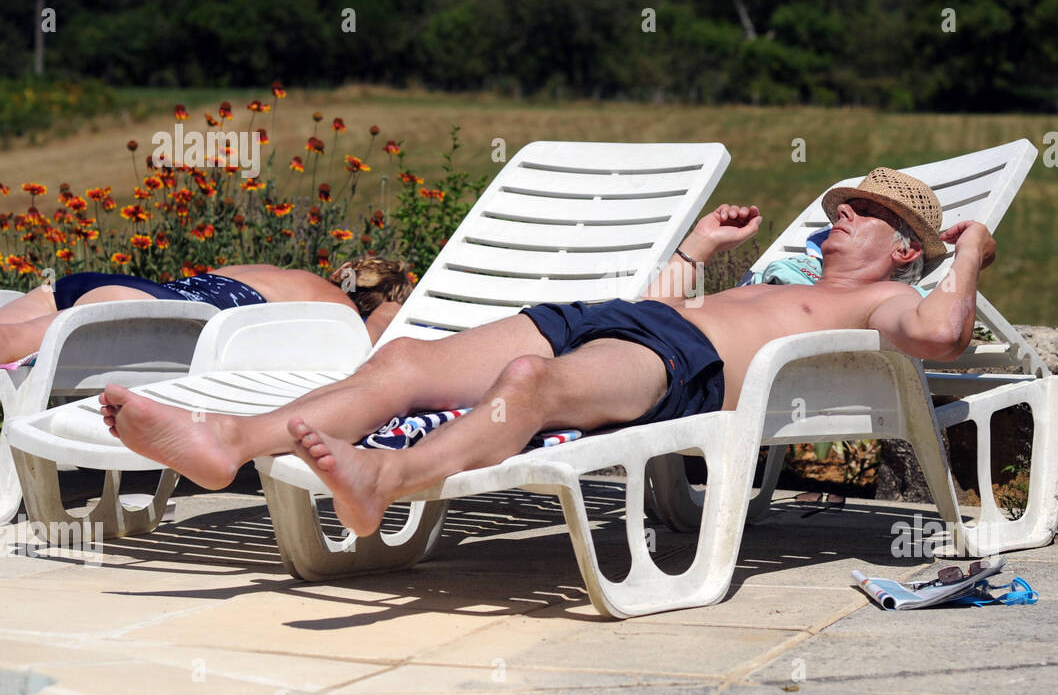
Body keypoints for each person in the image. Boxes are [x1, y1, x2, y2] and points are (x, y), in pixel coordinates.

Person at [98, 167, 996, 537]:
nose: (841, 217)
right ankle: (229, 439)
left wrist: (974, 252)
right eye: (840, 207)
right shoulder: (778, 274)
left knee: (526, 385)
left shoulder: (893, 300)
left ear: (907, 247)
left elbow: (947, 334)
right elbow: (665, 302)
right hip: (620, 318)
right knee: (406, 360)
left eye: (865, 213)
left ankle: (386, 480)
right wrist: (697, 255)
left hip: (686, 371)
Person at [0, 257, 412, 363]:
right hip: (147, 310)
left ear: (345, 270)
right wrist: (388, 310)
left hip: (101, 285)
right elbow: (367, 344)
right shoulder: (337, 310)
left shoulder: (273, 273)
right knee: (10, 344)